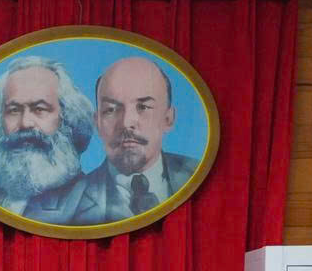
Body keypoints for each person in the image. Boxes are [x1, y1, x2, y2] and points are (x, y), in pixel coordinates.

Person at [29, 54, 201, 225]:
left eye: (143, 107)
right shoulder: (54, 211)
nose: (126, 123)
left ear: (168, 119)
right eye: (111, 109)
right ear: (97, 123)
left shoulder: (201, 177)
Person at [0, 55, 94, 216]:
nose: (25, 123)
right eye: (14, 110)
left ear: (67, 118)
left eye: (39, 109)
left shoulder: (90, 203)